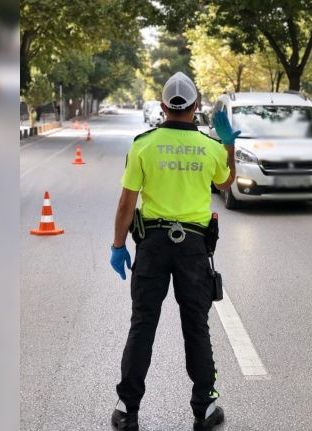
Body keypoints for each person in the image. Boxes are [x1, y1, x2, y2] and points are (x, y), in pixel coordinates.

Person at [109, 72, 240, 431]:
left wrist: (118, 245)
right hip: (194, 249)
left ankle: (126, 408)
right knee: (196, 325)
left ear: (164, 106)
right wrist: (228, 143)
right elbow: (226, 182)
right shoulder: (210, 147)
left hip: (151, 246)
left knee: (143, 324)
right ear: (196, 107)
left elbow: (125, 204)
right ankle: (205, 407)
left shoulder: (143, 145)